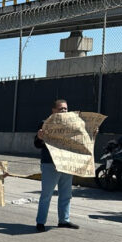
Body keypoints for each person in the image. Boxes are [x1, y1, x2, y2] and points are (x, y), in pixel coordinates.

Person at [34, 99, 80, 232]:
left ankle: (64, 220)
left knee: (66, 194)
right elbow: (37, 144)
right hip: (50, 164)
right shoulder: (45, 123)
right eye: (61, 109)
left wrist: (92, 132)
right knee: (46, 195)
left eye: (66, 108)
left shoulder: (72, 125)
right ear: (53, 110)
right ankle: (41, 222)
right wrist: (39, 137)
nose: (64, 111)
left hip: (66, 164)